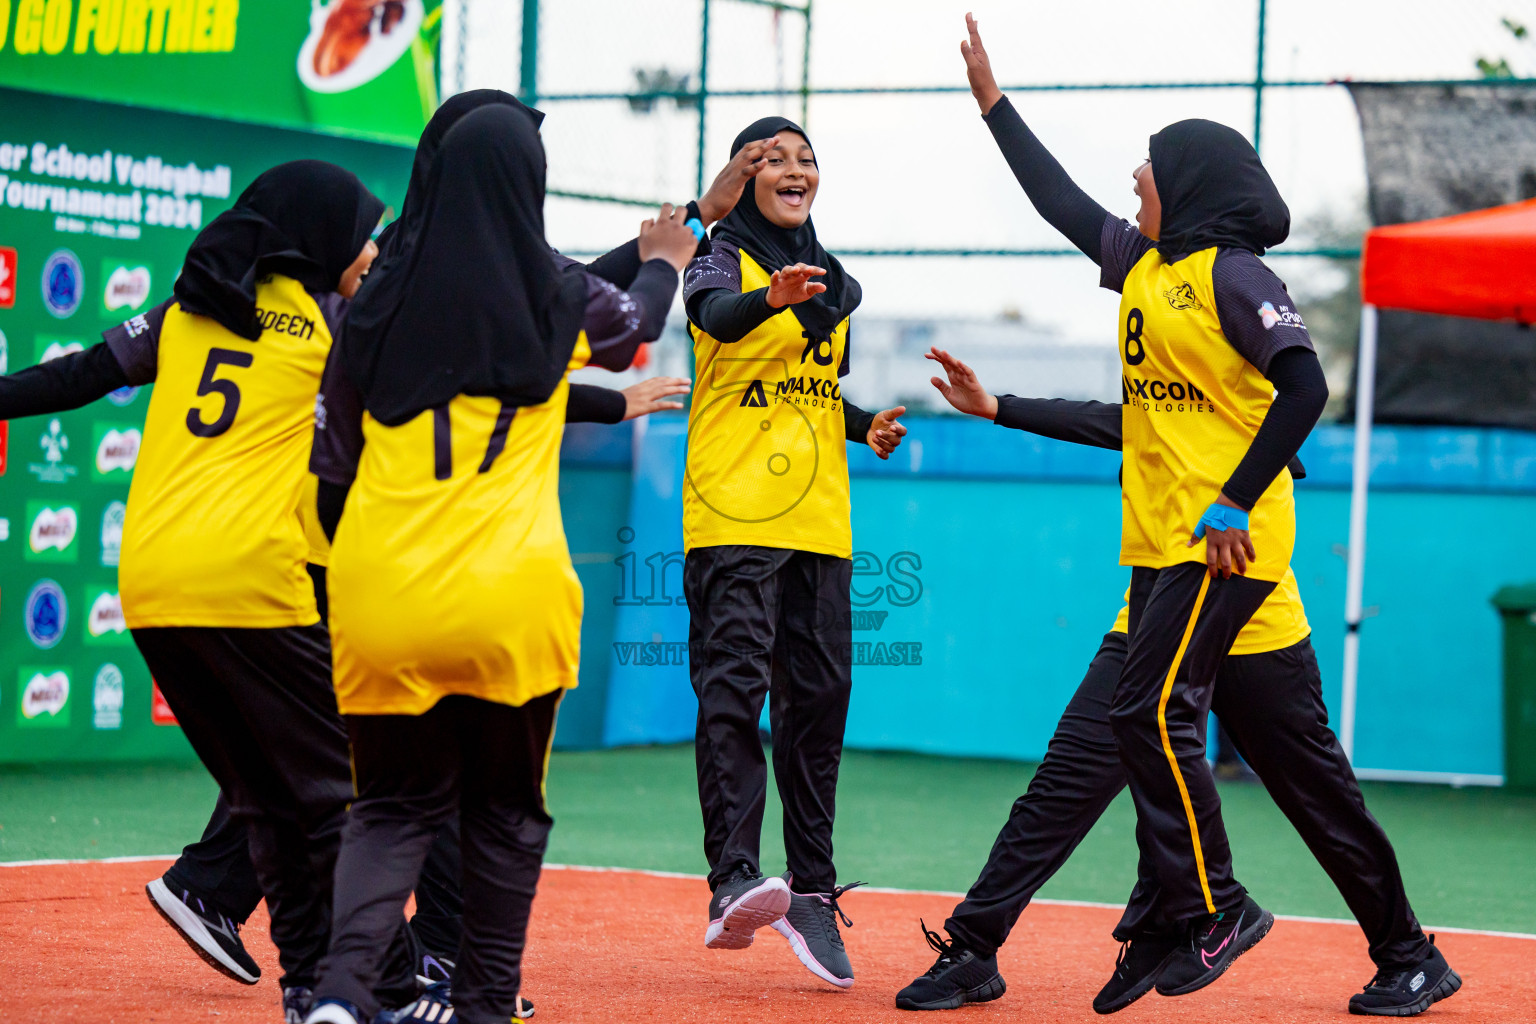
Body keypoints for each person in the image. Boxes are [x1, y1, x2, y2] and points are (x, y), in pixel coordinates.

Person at [143, 85, 762, 998]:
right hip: (492, 585)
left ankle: (334, 984)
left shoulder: (389, 283)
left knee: (373, 791)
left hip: (369, 571)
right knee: (472, 802)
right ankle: (451, 979)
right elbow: (577, 321)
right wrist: (663, 261)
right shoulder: (467, 284)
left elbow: (479, 353)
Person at [897, 346, 1460, 1017]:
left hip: (1252, 627)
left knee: (1321, 801)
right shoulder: (1165, 402)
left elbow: (1284, 420)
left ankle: (1408, 956)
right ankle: (974, 948)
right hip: (1152, 615)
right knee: (1063, 786)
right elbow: (1115, 422)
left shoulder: (1242, 388)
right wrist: (998, 408)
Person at [300, 103, 697, 1024]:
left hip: (384, 590)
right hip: (509, 598)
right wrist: (667, 256)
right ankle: (481, 1005)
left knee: (390, 811)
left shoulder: (371, 305)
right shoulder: (551, 291)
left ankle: (341, 993)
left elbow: (334, 471)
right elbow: (632, 324)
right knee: (506, 819)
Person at [0, 161, 385, 1024]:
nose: (370, 248)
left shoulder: (194, 308)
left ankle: (298, 977)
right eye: (363, 231)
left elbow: (75, 376)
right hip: (253, 579)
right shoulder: (337, 325)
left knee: (276, 794)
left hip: (151, 581)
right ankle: (377, 983)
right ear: (321, 236)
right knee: (349, 779)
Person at [680, 115, 907, 989]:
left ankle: (812, 891)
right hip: (734, 515)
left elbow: (800, 387)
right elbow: (719, 321)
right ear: (740, 177)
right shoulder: (718, 256)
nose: (794, 168)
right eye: (771, 157)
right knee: (735, 689)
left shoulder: (827, 278)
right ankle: (733, 880)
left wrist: (861, 424)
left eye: (807, 157)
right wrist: (768, 300)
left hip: (819, 523)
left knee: (818, 706)